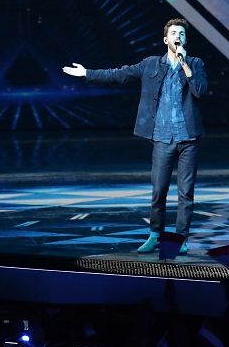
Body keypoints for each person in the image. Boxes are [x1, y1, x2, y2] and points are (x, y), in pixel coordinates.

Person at [62, 18, 208, 255]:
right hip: (162, 137)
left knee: (186, 193)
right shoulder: (150, 64)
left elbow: (200, 91)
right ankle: (155, 235)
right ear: (166, 39)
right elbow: (120, 74)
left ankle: (181, 238)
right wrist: (87, 72)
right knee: (159, 191)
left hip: (188, 138)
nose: (177, 37)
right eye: (173, 33)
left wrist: (185, 66)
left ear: (185, 39)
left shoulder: (195, 63)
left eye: (181, 33)